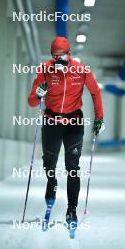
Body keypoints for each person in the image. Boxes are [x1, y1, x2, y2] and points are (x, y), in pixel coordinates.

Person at [28, 37, 105, 227]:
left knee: (73, 168)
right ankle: (51, 181)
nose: (58, 60)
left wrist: (99, 118)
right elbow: (31, 101)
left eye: (61, 56)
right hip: (52, 121)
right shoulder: (45, 69)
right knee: (49, 162)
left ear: (69, 54)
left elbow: (95, 92)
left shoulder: (81, 70)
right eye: (54, 56)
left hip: (74, 123)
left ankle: (72, 209)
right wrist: (38, 94)